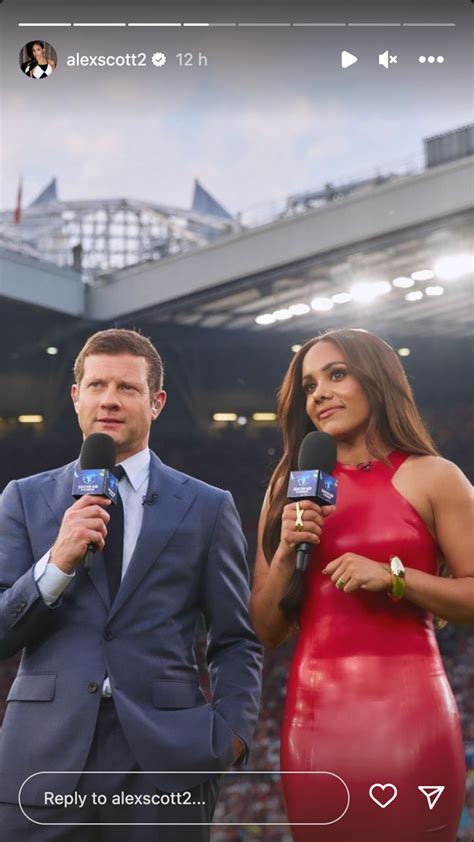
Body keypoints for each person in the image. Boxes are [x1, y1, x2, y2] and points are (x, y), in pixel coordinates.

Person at [0, 328, 262, 841]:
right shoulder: (24, 499)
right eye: (97, 385)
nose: (110, 400)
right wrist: (56, 563)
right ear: (75, 396)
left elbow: (236, 638)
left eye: (128, 388)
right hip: (43, 758)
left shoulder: (208, 506)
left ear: (157, 402)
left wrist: (230, 735)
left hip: (164, 760)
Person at [250, 328, 473, 842]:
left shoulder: (434, 476)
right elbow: (265, 628)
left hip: (411, 718)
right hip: (313, 722)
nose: (320, 393)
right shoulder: (286, 489)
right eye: (309, 386)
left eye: (336, 374)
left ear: (377, 380)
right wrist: (287, 549)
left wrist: (394, 577)